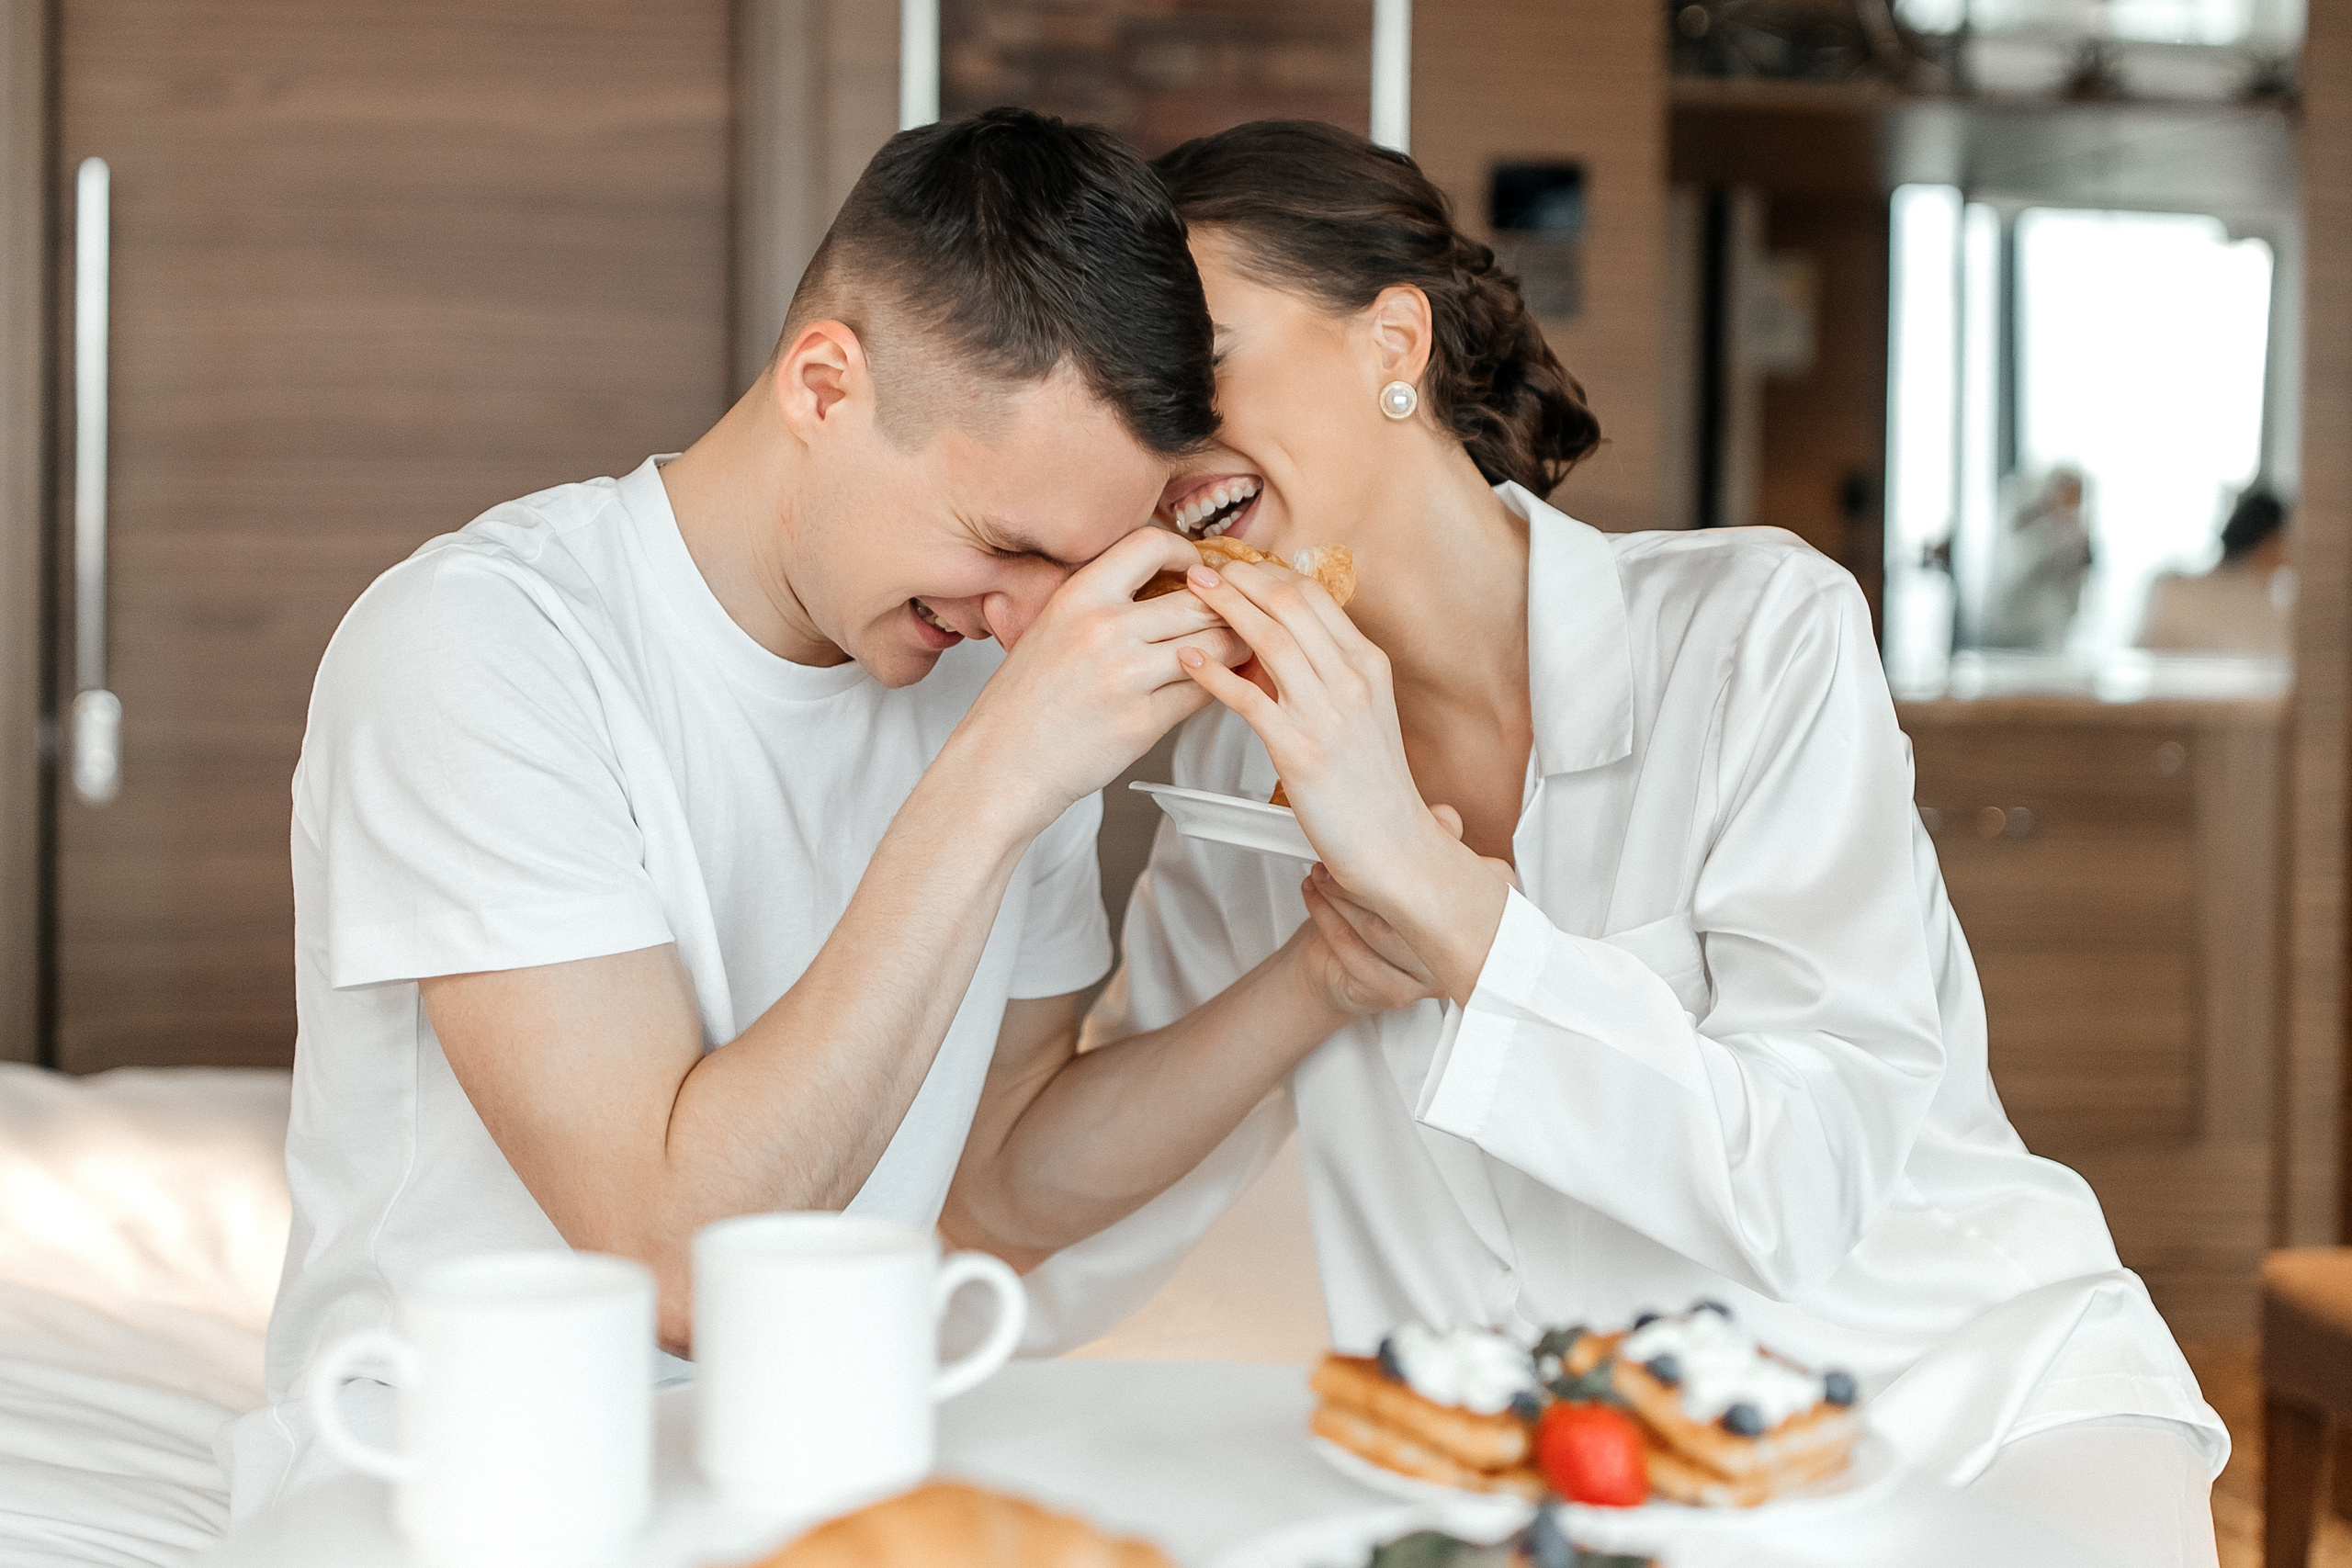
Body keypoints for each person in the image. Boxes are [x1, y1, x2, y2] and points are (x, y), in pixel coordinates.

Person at [1023, 121, 2226, 1566]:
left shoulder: (1755, 637)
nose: (1165, 440)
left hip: (1974, 1417)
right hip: (1601, 1493)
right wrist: (1311, 976)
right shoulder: (1240, 756)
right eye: (1133, 402)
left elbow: (1799, 1189)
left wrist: (1428, 888)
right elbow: (1057, 1222)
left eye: (1200, 361)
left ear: (1390, 338)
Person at [221, 108, 1310, 1518]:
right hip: (461, 1488)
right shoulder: (481, 648)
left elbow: (994, 1179)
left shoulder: (993, 683)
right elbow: (680, 1266)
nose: (1029, 621)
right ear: (821, 382)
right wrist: (995, 777)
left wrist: (1324, 977)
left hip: (818, 1475)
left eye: (1081, 565)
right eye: (1004, 544)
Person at [2140, 487, 2293, 660]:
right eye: (2284, 542)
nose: (2289, 556)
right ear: (2267, 542)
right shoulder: (2178, 592)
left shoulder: (2275, 605)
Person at [1984, 468, 2094, 650]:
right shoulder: (2021, 537)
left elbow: (2077, 587)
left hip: (2053, 640)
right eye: (2064, 496)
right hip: (2008, 635)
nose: (2068, 506)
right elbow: (2013, 585)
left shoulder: (2076, 539)